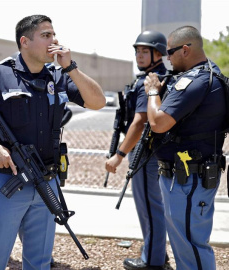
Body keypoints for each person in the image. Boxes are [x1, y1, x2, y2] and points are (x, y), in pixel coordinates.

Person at [0, 14, 105, 270]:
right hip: (8, 180)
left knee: (39, 262)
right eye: (46, 35)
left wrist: (71, 68)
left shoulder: (59, 77)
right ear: (24, 41)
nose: (54, 41)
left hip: (46, 181)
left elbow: (98, 102)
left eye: (53, 34)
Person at [144, 26, 227, 270]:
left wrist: (152, 92)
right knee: (184, 242)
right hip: (187, 175)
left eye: (170, 52)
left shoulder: (195, 80)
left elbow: (158, 123)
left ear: (186, 49)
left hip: (189, 178)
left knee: (191, 244)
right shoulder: (209, 74)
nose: (167, 58)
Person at [105, 30, 170, 270]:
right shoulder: (161, 76)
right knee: (154, 205)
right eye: (137, 51)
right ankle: (157, 253)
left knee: (149, 206)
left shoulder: (151, 80)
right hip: (156, 151)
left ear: (158, 53)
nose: (139, 56)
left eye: (145, 51)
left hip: (146, 152)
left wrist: (119, 155)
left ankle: (152, 261)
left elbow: (140, 121)